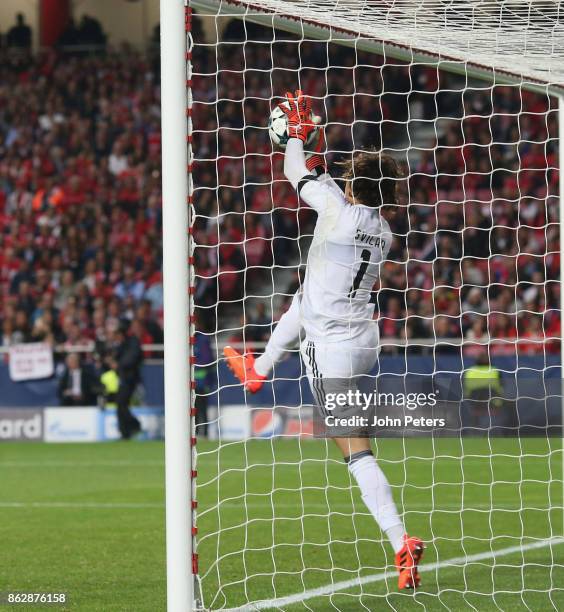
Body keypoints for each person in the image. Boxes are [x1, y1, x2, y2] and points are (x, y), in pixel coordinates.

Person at [224, 90, 424, 590]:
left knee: (355, 452)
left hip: (330, 348)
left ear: (354, 186)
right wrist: (319, 157)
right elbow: (331, 185)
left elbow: (298, 176)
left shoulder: (336, 212)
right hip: (362, 340)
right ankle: (259, 369)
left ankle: (401, 542)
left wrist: (295, 136)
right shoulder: (383, 230)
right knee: (303, 298)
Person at [114, 322, 143, 439]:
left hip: (130, 379)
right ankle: (125, 432)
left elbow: (132, 358)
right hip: (123, 379)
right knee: (121, 404)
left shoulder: (133, 342)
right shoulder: (123, 344)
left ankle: (135, 425)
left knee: (121, 404)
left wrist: (118, 364)